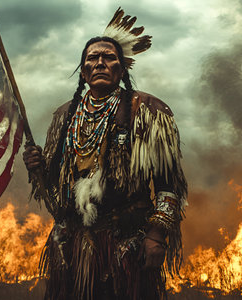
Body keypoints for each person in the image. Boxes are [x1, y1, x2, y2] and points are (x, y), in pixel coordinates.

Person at [23, 8, 187, 300]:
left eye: (109, 57)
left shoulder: (147, 111)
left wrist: (157, 235)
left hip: (126, 241)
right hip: (73, 243)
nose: (100, 62)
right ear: (83, 71)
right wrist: (38, 167)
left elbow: (169, 185)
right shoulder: (64, 117)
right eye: (92, 58)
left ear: (122, 69)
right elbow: (56, 192)